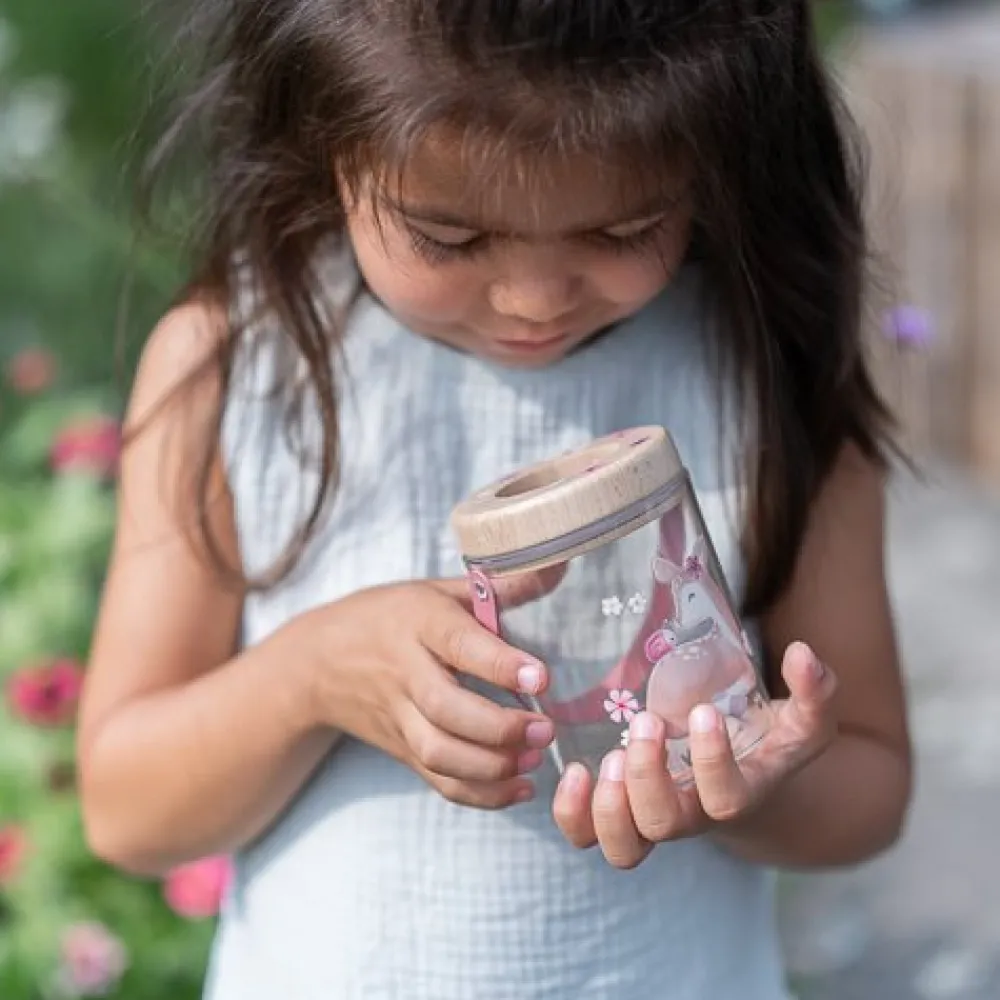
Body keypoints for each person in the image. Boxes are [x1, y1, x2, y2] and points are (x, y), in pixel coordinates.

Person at [77, 2, 913, 997]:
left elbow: (871, 785)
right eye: (449, 236)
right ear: (322, 147)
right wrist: (311, 676)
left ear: (718, 163)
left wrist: (745, 787)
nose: (533, 298)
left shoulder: (761, 376)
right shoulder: (240, 369)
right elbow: (127, 811)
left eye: (622, 228)